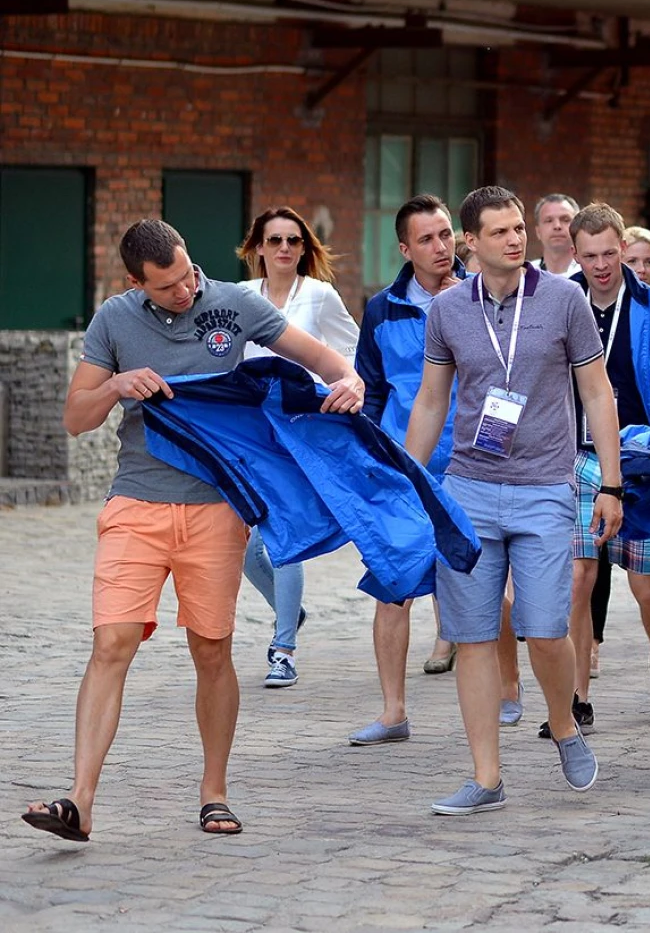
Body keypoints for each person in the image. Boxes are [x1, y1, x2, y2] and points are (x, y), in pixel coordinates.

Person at [22, 219, 364, 843]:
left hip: (215, 510)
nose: (185, 290)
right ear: (136, 283)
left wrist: (349, 380)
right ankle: (79, 801)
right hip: (135, 503)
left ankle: (214, 792)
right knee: (111, 644)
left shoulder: (234, 304)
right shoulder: (114, 321)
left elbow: (321, 358)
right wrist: (116, 385)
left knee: (211, 650)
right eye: (168, 286)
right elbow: (75, 417)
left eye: (187, 275)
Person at [405, 185, 620, 812]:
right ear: (471, 242)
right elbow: (431, 401)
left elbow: (597, 393)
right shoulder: (447, 310)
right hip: (469, 488)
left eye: (519, 228)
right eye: (499, 232)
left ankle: (563, 722)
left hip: (546, 486)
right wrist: (410, 484)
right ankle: (487, 778)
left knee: (546, 627)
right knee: (473, 635)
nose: (515, 239)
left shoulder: (564, 298)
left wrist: (611, 483)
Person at [348, 194, 469, 745]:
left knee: (485, 591)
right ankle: (393, 711)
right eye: (427, 239)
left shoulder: (482, 295)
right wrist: (373, 456)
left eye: (446, 234)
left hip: (472, 466)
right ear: (405, 249)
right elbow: (373, 390)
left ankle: (505, 696)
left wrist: (464, 306)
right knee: (393, 588)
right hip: (405, 468)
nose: (441, 247)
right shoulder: (382, 309)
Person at [562, 203, 650, 731]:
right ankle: (575, 698)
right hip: (576, 455)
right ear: (574, 254)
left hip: (641, 458)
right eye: (589, 255)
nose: (601, 265)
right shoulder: (561, 301)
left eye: (609, 254)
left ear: (623, 247)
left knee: (645, 585)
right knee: (578, 577)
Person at [235, 206, 359, 689]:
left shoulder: (320, 295)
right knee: (244, 547)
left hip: (300, 431)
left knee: (284, 535)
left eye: (294, 240)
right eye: (275, 240)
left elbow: (350, 353)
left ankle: (283, 649)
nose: (285, 248)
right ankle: (289, 609)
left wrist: (337, 394)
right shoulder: (241, 296)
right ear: (258, 248)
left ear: (304, 248)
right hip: (250, 433)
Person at [532, 193, 581, 277]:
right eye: (549, 220)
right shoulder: (526, 274)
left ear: (578, 228)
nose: (557, 226)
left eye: (565, 220)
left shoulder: (589, 273)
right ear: (538, 231)